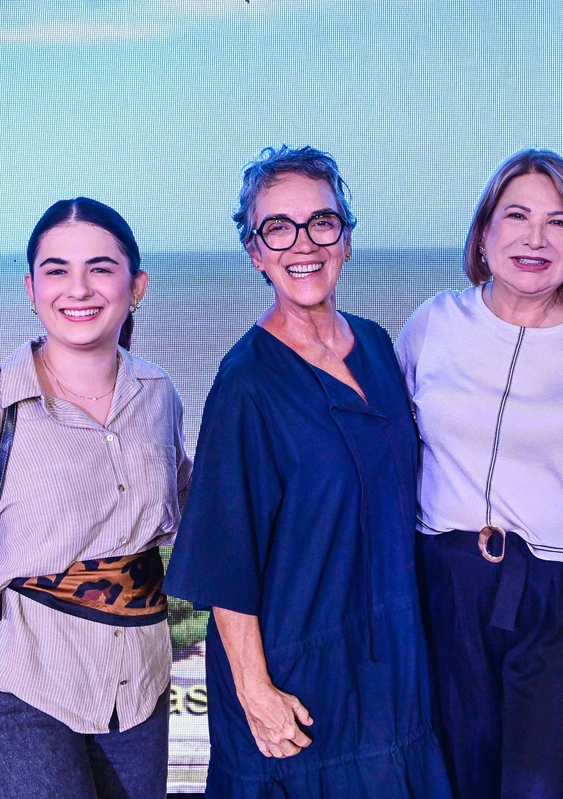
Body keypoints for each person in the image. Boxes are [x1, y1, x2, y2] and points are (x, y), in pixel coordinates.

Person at [163, 146, 450, 798]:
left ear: (345, 239)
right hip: (299, 679)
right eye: (278, 228)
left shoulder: (378, 345)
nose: (304, 243)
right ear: (254, 250)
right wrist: (255, 690)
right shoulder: (245, 384)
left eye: (322, 222)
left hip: (393, 665)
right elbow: (226, 560)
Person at [0, 197, 192, 799]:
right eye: (57, 270)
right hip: (19, 681)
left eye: (101, 268)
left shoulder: (158, 394)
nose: (78, 288)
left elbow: (188, 505)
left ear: (136, 286)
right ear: (31, 288)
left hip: (139, 680)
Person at [396, 149, 563, 798]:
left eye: (558, 221)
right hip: (448, 580)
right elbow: (389, 454)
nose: (534, 237)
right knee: (453, 775)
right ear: (485, 234)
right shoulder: (432, 324)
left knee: (545, 786)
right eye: (516, 215)